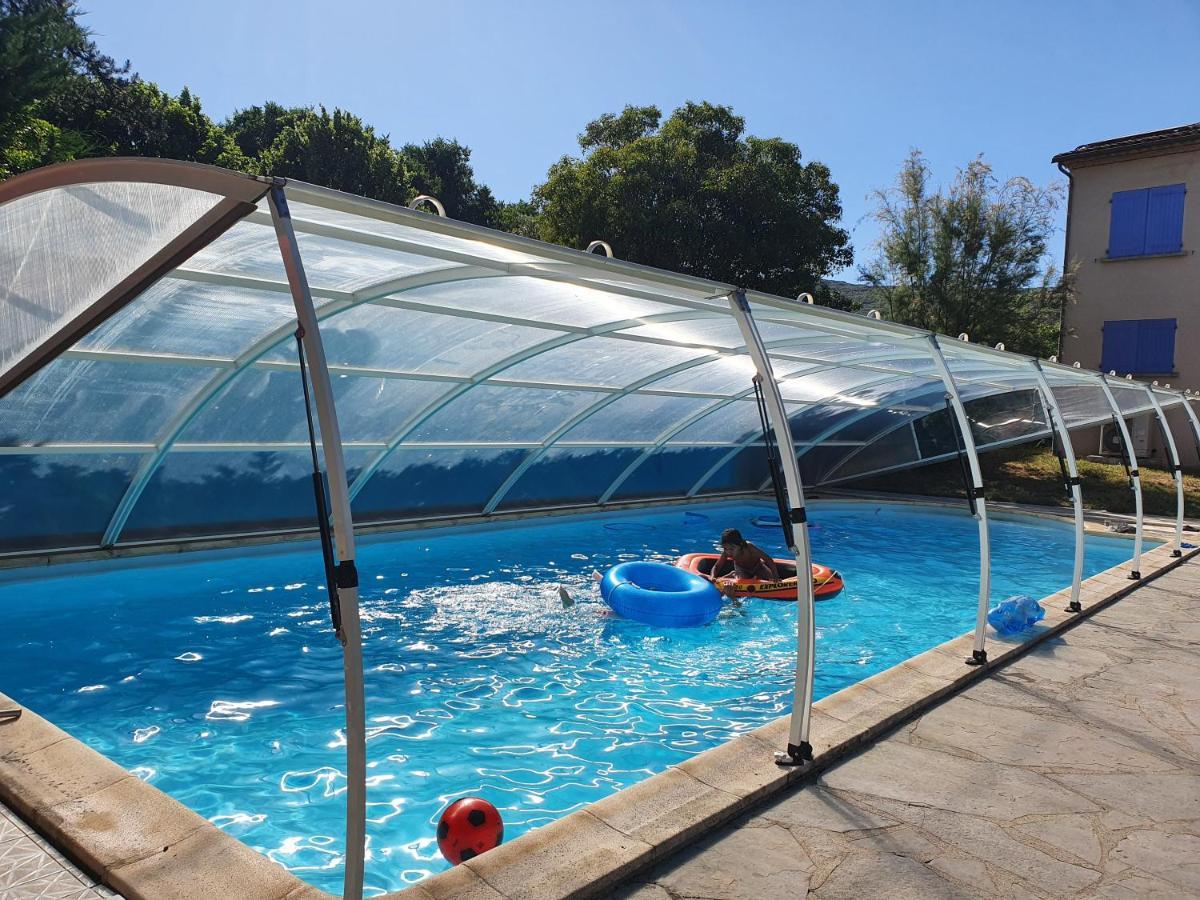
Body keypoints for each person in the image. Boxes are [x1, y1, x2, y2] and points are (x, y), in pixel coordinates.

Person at [709, 528, 779, 586]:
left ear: (740, 545)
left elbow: (768, 559)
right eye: (725, 549)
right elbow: (717, 566)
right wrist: (712, 576)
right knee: (743, 583)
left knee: (770, 579)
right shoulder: (726, 552)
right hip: (741, 569)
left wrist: (776, 576)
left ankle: (734, 574)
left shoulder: (749, 548)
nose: (728, 552)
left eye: (732, 549)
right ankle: (734, 574)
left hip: (758, 566)